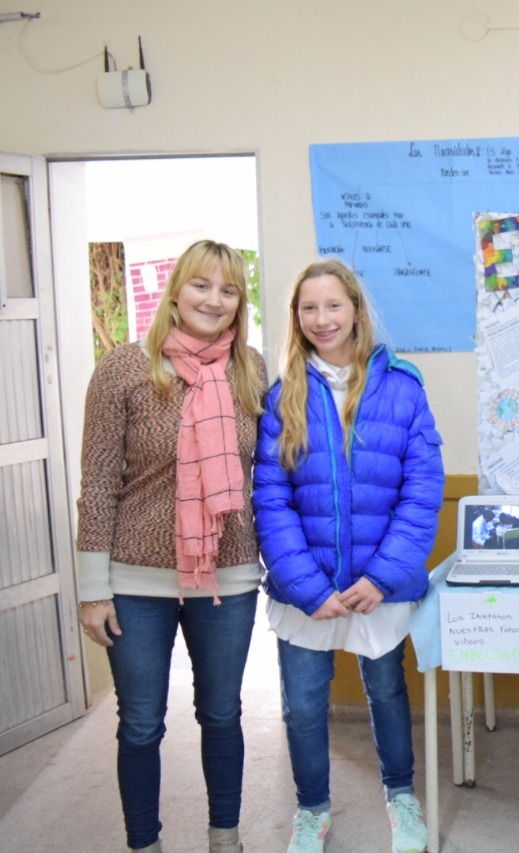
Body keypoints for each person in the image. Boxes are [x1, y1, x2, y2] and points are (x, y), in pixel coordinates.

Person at [76, 239, 266, 853]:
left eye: (229, 290)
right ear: (175, 291)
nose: (214, 300)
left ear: (240, 302)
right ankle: (144, 843)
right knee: (138, 725)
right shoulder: (125, 368)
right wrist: (91, 589)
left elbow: (269, 473)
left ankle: (224, 837)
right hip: (134, 581)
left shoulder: (251, 369)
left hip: (227, 575)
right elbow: (99, 481)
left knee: (221, 714)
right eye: (202, 285)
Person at [254, 259, 444, 853]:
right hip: (306, 590)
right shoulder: (284, 395)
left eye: (333, 305)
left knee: (386, 692)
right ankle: (311, 810)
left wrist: (384, 576)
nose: (321, 319)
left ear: (356, 309)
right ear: (296, 317)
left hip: (377, 586)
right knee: (304, 707)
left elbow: (421, 490)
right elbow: (270, 498)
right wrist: (305, 585)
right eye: (308, 308)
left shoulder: (403, 387)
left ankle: (402, 796)